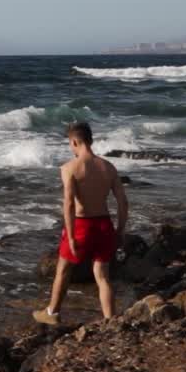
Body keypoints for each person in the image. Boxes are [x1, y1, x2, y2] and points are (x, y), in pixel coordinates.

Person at [33, 121, 128, 325]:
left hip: (82, 225)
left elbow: (69, 204)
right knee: (102, 276)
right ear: (90, 140)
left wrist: (71, 235)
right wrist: (120, 230)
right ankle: (111, 322)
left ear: (74, 142)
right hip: (104, 224)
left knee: (63, 270)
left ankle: (52, 313)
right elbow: (123, 201)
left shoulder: (70, 168)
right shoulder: (108, 167)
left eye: (70, 144)